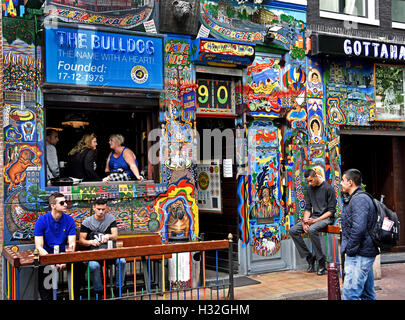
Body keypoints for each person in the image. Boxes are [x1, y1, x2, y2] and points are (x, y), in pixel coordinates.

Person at [340, 168, 379, 300]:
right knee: (367, 295)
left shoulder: (359, 199)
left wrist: (350, 250)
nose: (340, 183)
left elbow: (359, 228)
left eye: (343, 180)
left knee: (350, 295)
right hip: (362, 253)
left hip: (359, 255)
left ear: (350, 182)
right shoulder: (358, 198)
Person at [289, 169, 336, 275]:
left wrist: (315, 221)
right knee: (293, 230)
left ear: (316, 176)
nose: (309, 184)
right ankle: (309, 257)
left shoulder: (328, 188)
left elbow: (331, 211)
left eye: (310, 181)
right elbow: (308, 208)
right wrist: (305, 221)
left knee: (312, 229)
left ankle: (321, 262)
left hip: (326, 218)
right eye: (307, 182)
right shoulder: (310, 189)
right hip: (314, 218)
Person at [79, 198, 126, 297]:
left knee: (122, 261)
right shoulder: (87, 222)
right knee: (93, 266)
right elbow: (81, 240)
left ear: (106, 208)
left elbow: (115, 235)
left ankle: (119, 289)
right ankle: (99, 292)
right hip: (95, 253)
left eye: (103, 209)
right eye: (99, 209)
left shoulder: (111, 219)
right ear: (94, 208)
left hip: (110, 252)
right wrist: (90, 241)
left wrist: (108, 236)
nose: (101, 212)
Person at [34, 192, 77, 300]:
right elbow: (39, 246)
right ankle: (46, 298)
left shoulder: (69, 220)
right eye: (62, 203)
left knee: (78, 265)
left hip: (64, 253)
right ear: (53, 206)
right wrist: (53, 260)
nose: (65, 204)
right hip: (48, 254)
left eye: (65, 202)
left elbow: (71, 243)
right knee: (46, 268)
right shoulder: (42, 221)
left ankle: (74, 296)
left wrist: (64, 259)